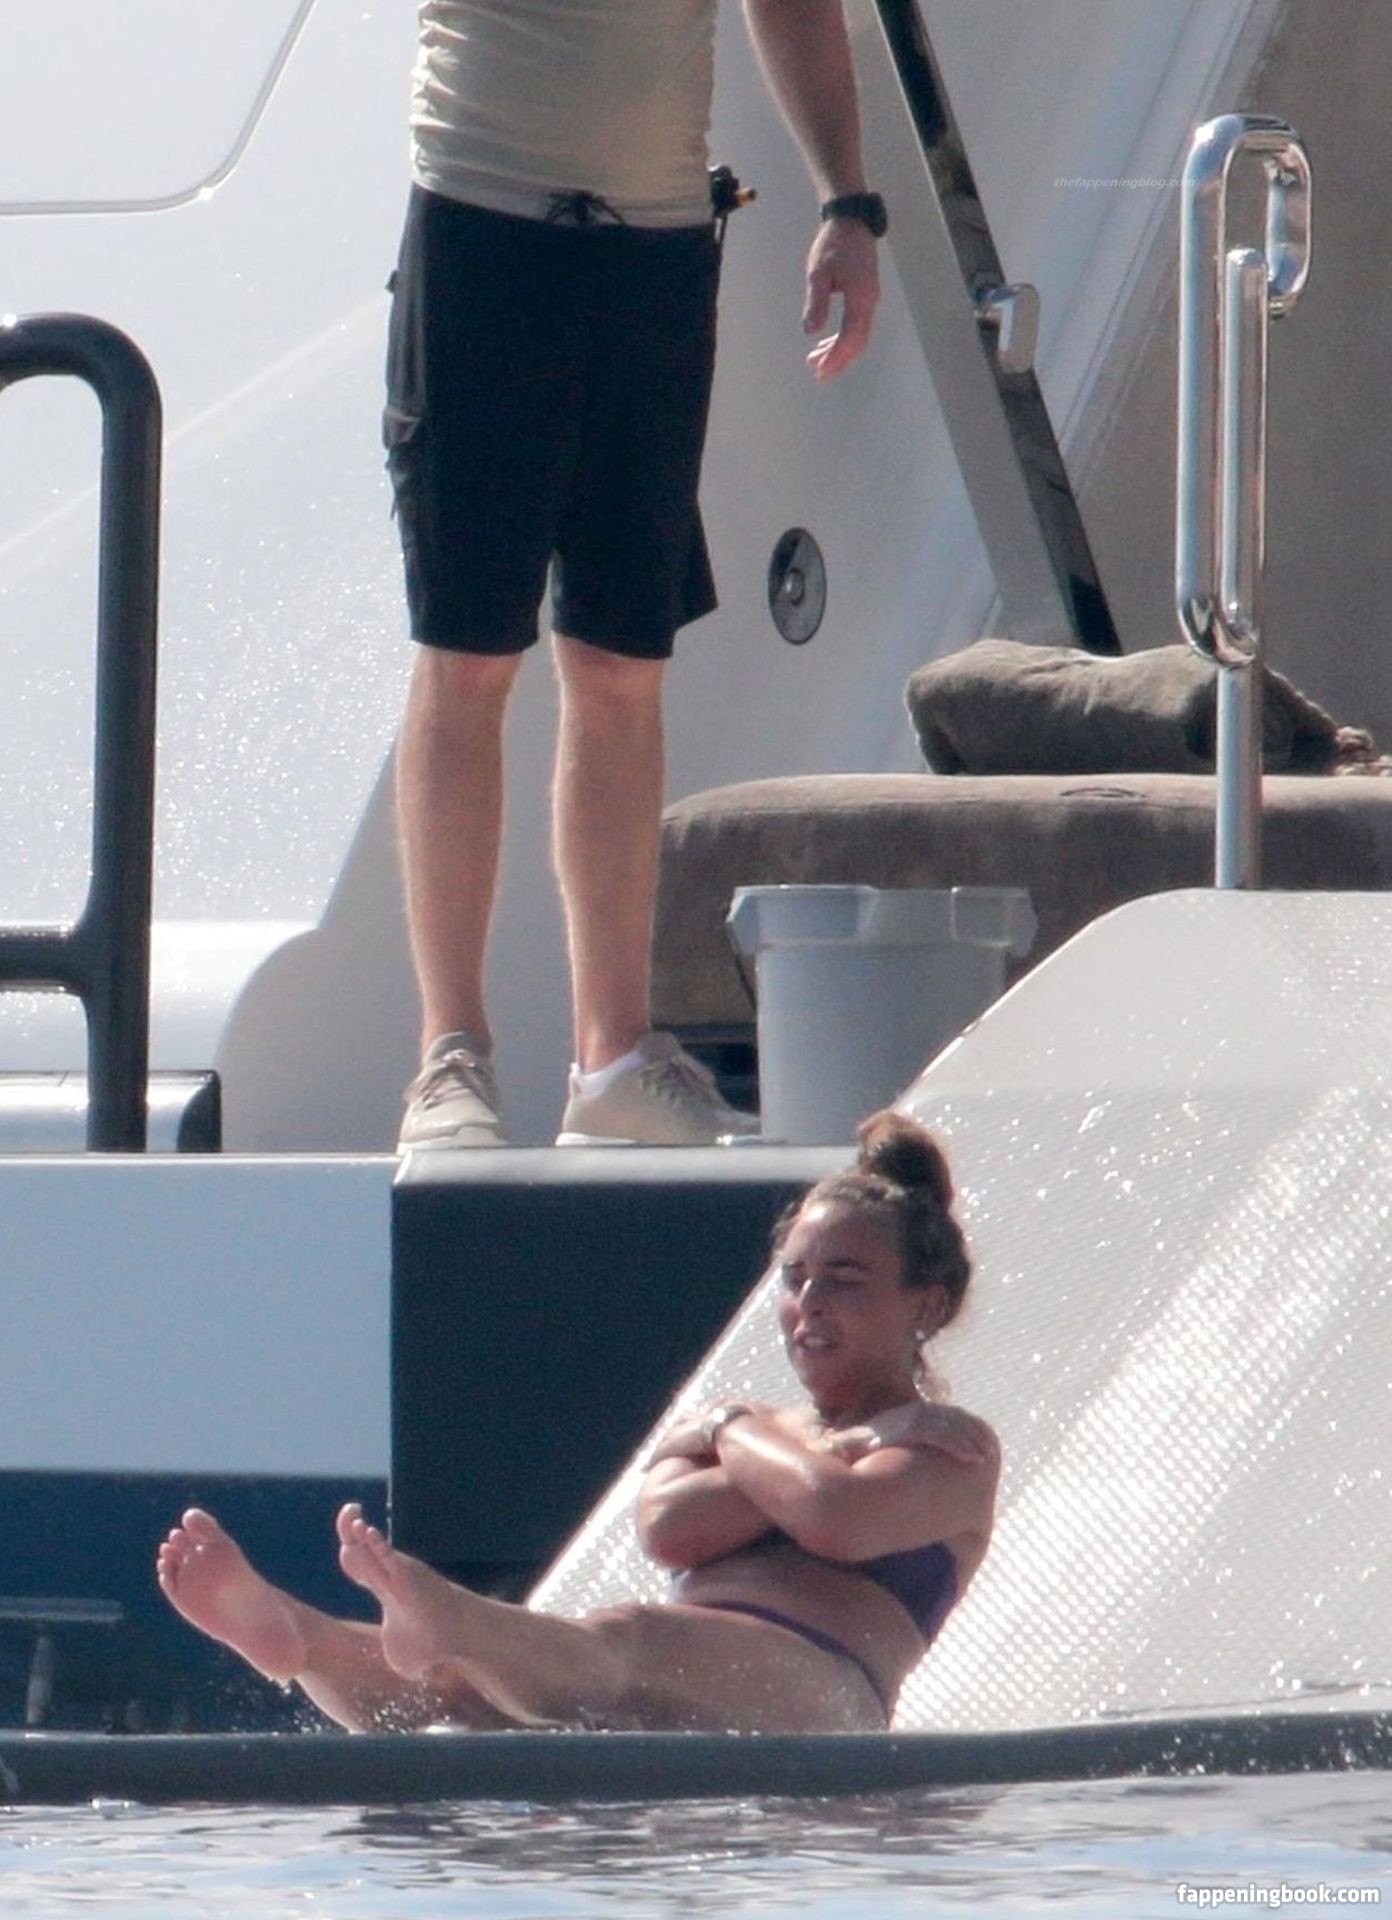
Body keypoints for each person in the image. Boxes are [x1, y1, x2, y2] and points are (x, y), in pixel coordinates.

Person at [391, 0, 885, 1149]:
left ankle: (612, 1057)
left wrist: (847, 206)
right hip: (480, 225)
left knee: (621, 662)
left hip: (656, 250)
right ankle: (449, 1056)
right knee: (468, 654)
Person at [156, 1112, 1000, 1732]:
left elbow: (837, 1518)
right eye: (794, 1278)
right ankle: (300, 1639)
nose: (808, 1303)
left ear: (925, 1305)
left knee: (625, 1642)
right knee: (463, 1699)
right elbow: (666, 1526)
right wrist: (797, 1444)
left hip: (825, 1690)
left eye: (844, 1279)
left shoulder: (950, 1446)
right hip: (691, 1668)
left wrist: (730, 1431)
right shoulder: (770, 1431)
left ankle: (449, 1618)